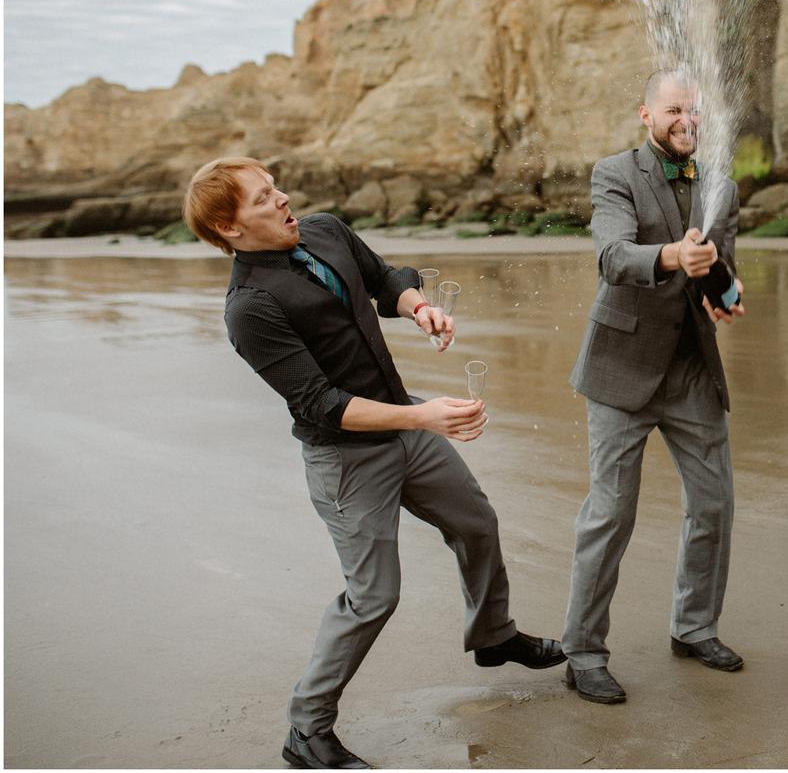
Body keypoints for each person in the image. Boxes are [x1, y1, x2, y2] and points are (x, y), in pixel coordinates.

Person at [183, 158, 564, 770]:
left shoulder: (325, 229)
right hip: (346, 460)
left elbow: (382, 278)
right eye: (264, 198)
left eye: (276, 185)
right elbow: (321, 404)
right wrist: (426, 417)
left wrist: (418, 307)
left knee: (476, 524)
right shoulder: (248, 308)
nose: (284, 200)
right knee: (373, 596)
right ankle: (306, 730)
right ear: (229, 227)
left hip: (405, 421)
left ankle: (493, 637)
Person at [563, 69, 745, 705]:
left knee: (715, 504)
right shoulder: (614, 174)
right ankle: (582, 651)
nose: (685, 121)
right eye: (673, 111)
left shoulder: (721, 179)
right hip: (621, 368)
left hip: (692, 365)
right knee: (611, 513)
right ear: (646, 114)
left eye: (694, 112)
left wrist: (727, 290)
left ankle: (694, 627)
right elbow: (613, 257)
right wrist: (673, 256)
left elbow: (722, 261)